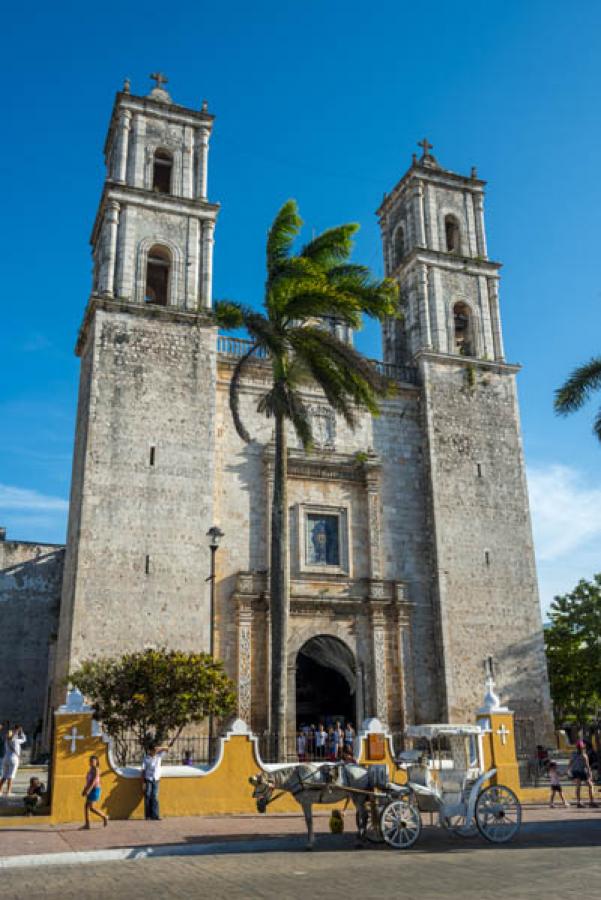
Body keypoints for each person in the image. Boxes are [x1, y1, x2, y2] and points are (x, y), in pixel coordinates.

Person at [142, 742, 169, 820]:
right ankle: (147, 815)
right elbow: (143, 770)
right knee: (147, 796)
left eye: (155, 750)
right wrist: (143, 782)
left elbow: (167, 749)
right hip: (148, 779)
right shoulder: (146, 758)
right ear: (149, 750)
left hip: (156, 779)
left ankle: (155, 815)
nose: (154, 752)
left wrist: (159, 748)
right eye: (153, 750)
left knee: (155, 796)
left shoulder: (159, 756)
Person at [568, 739, 598, 808]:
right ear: (582, 747)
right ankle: (591, 802)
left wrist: (569, 771)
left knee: (578, 787)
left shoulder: (573, 754)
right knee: (590, 785)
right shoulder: (584, 755)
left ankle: (579, 802)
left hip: (575, 771)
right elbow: (587, 766)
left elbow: (570, 763)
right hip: (581, 772)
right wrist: (590, 774)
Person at [82, 755, 108, 828]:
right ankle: (87, 824)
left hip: (94, 790)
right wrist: (85, 789)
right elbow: (88, 781)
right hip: (90, 789)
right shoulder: (90, 769)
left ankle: (104, 817)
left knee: (91, 808)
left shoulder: (96, 770)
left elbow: (93, 781)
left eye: (93, 761)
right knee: (87, 806)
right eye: (90, 761)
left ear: (96, 762)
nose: (91, 762)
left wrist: (88, 790)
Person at [0, 725, 27, 797]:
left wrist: (15, 732)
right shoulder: (16, 741)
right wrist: (21, 732)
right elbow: (24, 739)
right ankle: (8, 792)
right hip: (14, 759)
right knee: (11, 776)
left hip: (6, 758)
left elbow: (11, 736)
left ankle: (0, 790)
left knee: (4, 776)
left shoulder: (6, 741)